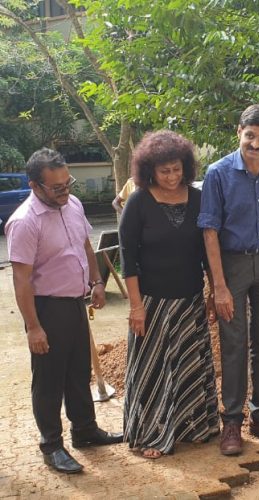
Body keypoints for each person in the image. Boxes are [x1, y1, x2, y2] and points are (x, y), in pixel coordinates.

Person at [5, 147, 123, 474]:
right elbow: (21, 280)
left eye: (67, 183)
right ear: (34, 186)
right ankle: (52, 446)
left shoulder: (72, 205)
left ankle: (84, 430)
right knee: (49, 380)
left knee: (78, 371)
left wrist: (96, 281)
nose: (65, 191)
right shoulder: (25, 223)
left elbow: (85, 244)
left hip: (75, 303)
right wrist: (33, 327)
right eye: (57, 187)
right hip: (46, 308)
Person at [198, 104, 259, 455]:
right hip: (233, 266)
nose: (255, 144)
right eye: (250, 135)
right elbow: (209, 231)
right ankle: (232, 422)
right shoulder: (218, 173)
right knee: (234, 344)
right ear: (239, 132)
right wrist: (219, 287)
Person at [120, 130, 219, 459]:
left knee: (190, 366)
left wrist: (213, 291)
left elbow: (207, 252)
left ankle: (192, 427)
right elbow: (128, 259)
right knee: (154, 371)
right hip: (152, 303)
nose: (172, 176)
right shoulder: (138, 202)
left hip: (190, 301)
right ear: (150, 170)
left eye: (177, 169)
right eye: (165, 171)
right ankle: (151, 434)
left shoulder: (198, 199)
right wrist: (136, 307)